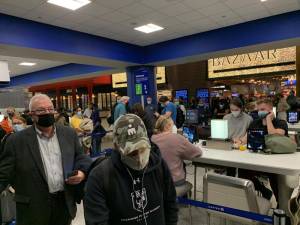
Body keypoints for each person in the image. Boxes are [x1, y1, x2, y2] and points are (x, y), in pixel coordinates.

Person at [0, 94, 92, 225]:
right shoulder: (16, 141)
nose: (47, 112)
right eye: (41, 110)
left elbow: (81, 157)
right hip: (32, 210)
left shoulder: (68, 133)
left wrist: (82, 173)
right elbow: (3, 174)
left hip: (63, 205)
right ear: (32, 115)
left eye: (50, 109)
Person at [84, 114, 178, 225]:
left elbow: (171, 205)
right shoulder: (100, 178)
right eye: (131, 153)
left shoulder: (159, 165)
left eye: (142, 149)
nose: (139, 157)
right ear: (116, 147)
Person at [239, 98, 288, 201]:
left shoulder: (281, 123)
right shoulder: (255, 123)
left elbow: (273, 135)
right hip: (257, 160)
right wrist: (239, 141)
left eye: (263, 109)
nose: (260, 112)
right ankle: (264, 190)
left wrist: (269, 120)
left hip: (276, 161)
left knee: (276, 177)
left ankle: (280, 203)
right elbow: (245, 139)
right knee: (242, 170)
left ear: (270, 110)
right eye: (259, 109)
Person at [151, 117, 202, 186]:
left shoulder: (152, 138)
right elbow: (198, 153)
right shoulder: (177, 138)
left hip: (156, 181)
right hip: (174, 181)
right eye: (172, 126)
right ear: (167, 126)